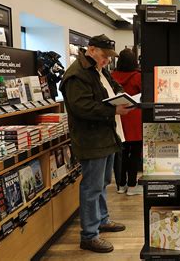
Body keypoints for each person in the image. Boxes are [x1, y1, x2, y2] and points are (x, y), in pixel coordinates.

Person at [59, 34, 131, 253]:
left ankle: (101, 219)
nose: (107, 60)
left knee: (102, 182)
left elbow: (112, 89)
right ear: (90, 49)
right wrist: (114, 110)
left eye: (109, 57)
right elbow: (82, 107)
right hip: (91, 139)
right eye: (104, 55)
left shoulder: (99, 70)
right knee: (91, 186)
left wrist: (123, 96)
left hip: (106, 136)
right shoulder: (76, 74)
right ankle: (89, 235)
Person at [111, 48, 142, 196]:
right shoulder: (138, 77)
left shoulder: (112, 76)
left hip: (118, 118)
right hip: (135, 118)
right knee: (135, 154)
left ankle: (120, 184)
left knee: (121, 154)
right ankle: (132, 186)